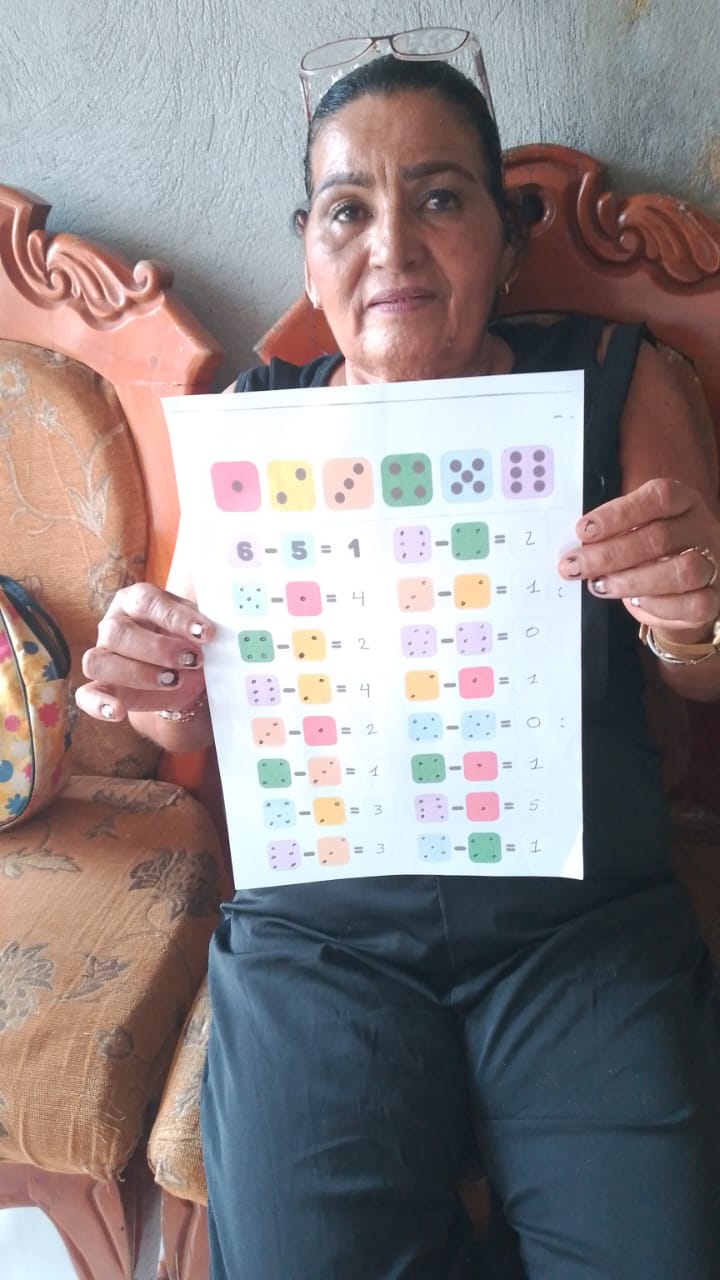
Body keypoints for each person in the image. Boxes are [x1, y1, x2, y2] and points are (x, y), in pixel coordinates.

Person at [77, 39, 720, 1280]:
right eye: (348, 210)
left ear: (508, 238)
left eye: (438, 198)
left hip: (578, 919)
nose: (393, 247)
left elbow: (702, 669)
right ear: (309, 253)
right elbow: (184, 720)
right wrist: (156, 682)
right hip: (321, 938)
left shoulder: (611, 381)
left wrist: (697, 612)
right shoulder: (256, 429)